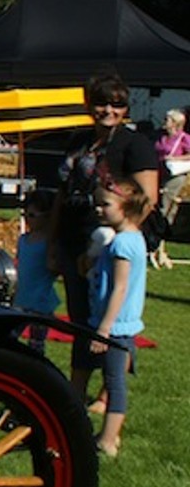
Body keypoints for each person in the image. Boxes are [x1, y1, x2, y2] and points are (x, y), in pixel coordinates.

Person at [49, 73, 158, 379]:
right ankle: (78, 387)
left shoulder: (135, 144)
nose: (108, 110)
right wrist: (52, 242)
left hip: (113, 246)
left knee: (115, 318)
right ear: (89, 105)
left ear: (125, 108)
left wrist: (122, 237)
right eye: (101, 103)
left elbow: (147, 199)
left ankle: (110, 391)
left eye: (117, 104)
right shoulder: (78, 140)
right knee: (80, 318)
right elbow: (61, 192)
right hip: (74, 238)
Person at [78, 177, 149, 458]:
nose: (98, 209)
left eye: (104, 204)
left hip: (115, 326)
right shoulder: (132, 238)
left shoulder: (122, 244)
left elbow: (119, 288)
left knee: (114, 380)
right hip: (119, 324)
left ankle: (107, 439)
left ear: (125, 207)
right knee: (114, 377)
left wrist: (104, 328)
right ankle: (109, 436)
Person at [15, 190, 60, 356]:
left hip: (41, 301)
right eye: (25, 213)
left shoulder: (49, 242)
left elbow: (54, 267)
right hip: (21, 298)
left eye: (32, 214)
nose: (27, 218)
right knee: (12, 336)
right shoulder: (23, 240)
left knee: (36, 344)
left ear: (47, 216)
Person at [152, 106, 188, 268]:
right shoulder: (161, 138)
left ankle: (159, 247)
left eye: (168, 120)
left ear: (175, 123)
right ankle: (158, 247)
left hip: (174, 177)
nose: (165, 122)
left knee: (165, 210)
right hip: (158, 175)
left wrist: (176, 158)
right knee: (156, 207)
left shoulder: (184, 138)